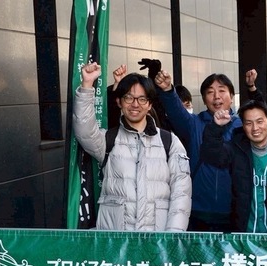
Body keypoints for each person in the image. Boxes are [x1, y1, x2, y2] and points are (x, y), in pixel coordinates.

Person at [72, 62, 190, 232]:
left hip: (156, 241)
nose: (135, 104)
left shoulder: (170, 142)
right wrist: (87, 85)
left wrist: (172, 237)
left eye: (142, 99)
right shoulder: (108, 139)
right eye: (129, 98)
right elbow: (84, 130)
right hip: (115, 241)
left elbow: (182, 195)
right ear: (119, 102)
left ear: (149, 104)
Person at [155, 68, 244, 232]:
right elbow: (176, 112)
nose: (216, 96)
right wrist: (168, 90)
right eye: (210, 92)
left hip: (233, 212)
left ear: (231, 97)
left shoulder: (243, 127)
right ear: (204, 99)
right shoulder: (194, 124)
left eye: (222, 91)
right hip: (197, 211)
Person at [201, 99, 267, 233]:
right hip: (244, 235)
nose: (255, 128)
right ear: (243, 126)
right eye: (248, 123)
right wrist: (216, 127)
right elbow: (211, 155)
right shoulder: (236, 148)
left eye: (260, 121)